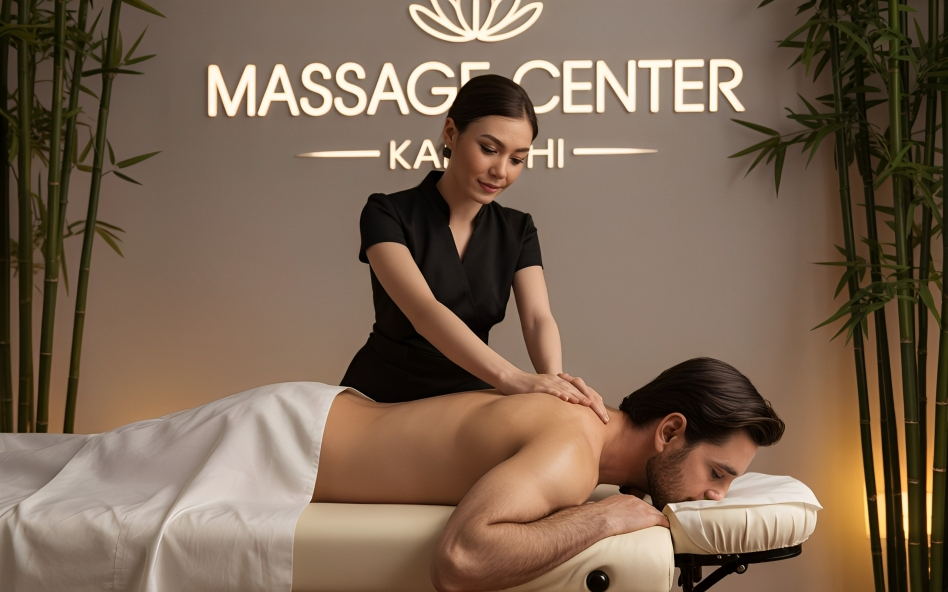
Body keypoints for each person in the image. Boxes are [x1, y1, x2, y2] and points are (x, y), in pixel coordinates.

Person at [316, 357, 785, 591]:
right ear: (671, 431)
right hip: (283, 444)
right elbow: (459, 560)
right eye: (717, 473)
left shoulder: (587, 428)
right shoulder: (573, 450)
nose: (716, 495)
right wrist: (603, 519)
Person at [341, 74, 608, 422]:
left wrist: (555, 382)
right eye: (489, 149)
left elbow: (538, 318)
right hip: (381, 397)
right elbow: (424, 312)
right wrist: (512, 378)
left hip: (467, 395)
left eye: (517, 159)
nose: (501, 171)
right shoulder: (386, 213)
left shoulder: (518, 228)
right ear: (451, 133)